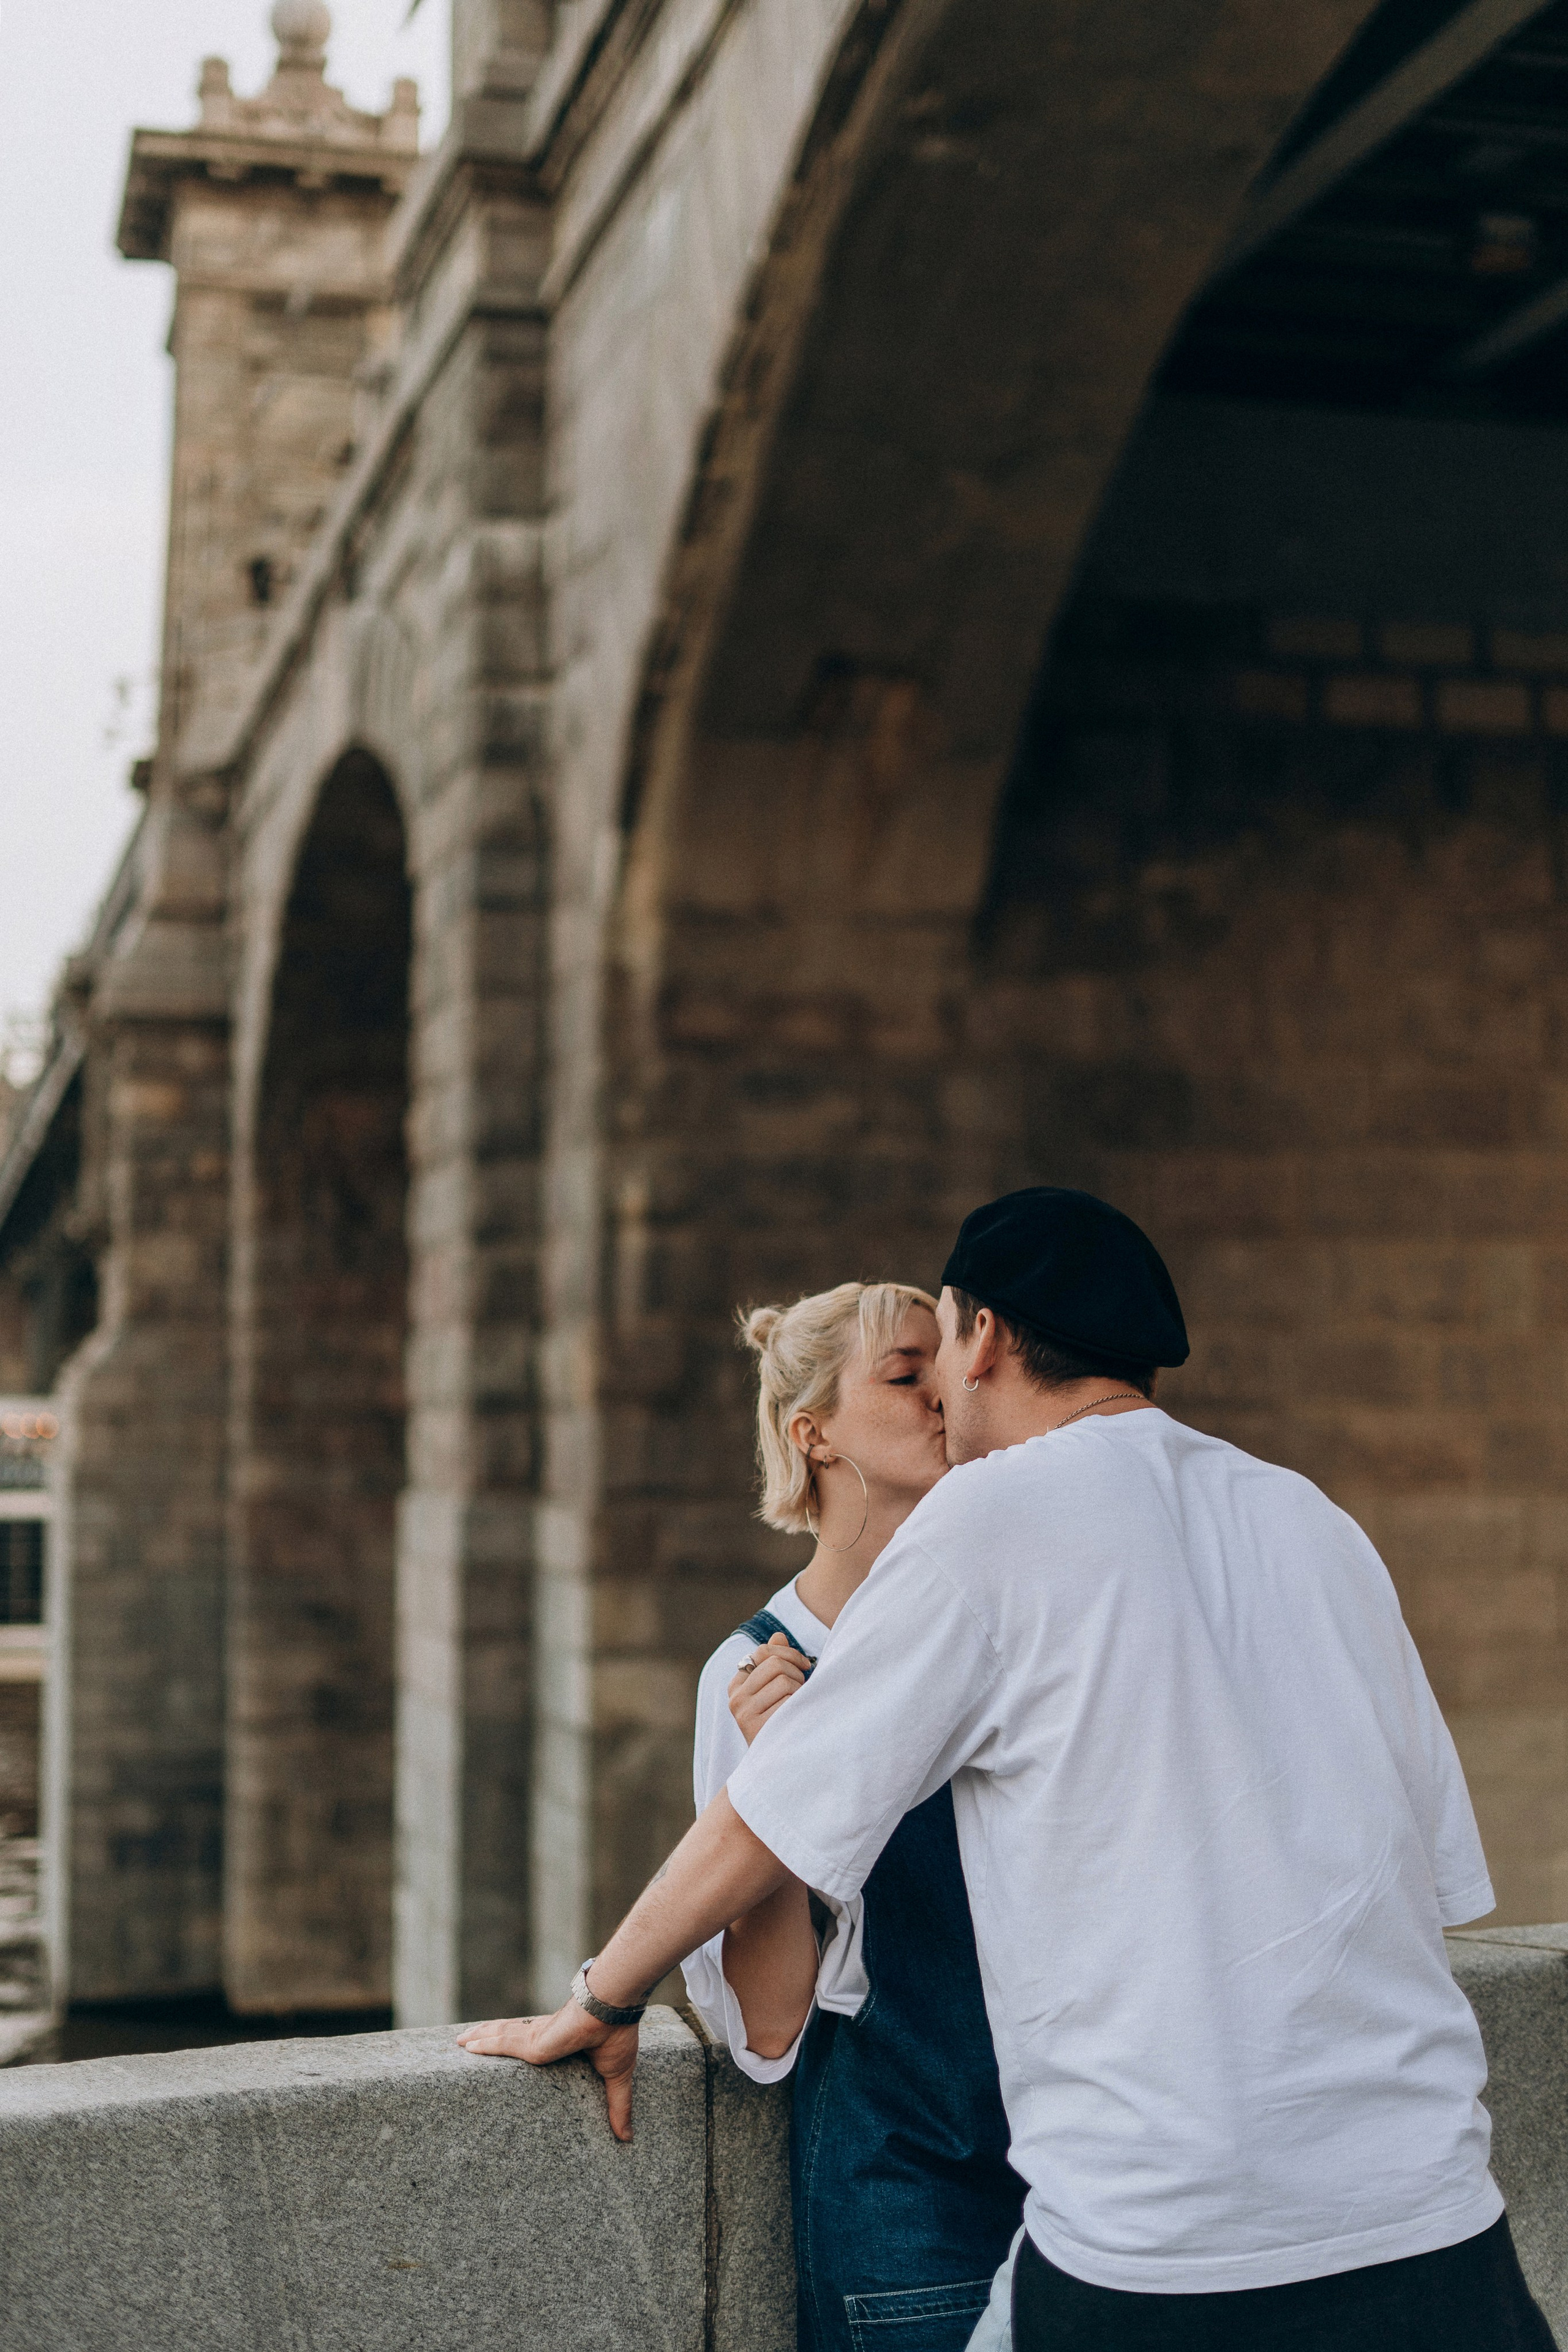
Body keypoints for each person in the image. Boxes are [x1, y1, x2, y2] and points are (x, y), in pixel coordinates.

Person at [459, 1187, 1555, 2352]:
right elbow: (1427, 1876)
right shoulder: (1313, 1519)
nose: (937, 1388)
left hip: (1169, 2246)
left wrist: (602, 1995)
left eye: (943, 1343)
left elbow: (768, 1817)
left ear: (983, 1338)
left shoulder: (992, 1516)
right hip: (1436, 2222)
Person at [682, 1281, 1024, 2352]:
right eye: (905, 1373)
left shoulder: (1021, 1615)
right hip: (904, 2186)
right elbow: (773, 2025)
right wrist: (784, 1779)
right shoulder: (754, 1669)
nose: (945, 1393)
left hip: (1081, 2155)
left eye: (947, 1364)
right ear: (813, 1434)